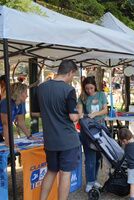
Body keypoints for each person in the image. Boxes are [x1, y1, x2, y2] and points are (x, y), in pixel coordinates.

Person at [37, 60, 81, 200]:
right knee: (65, 173)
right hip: (67, 140)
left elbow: (35, 113)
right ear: (70, 72)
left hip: (50, 140)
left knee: (51, 171)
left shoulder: (41, 88)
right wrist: (80, 111)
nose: (72, 79)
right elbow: (73, 117)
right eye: (73, 76)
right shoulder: (68, 90)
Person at [77, 76, 108, 192]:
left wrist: (94, 114)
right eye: (87, 89)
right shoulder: (82, 97)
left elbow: (105, 110)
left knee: (98, 156)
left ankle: (94, 180)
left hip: (101, 127)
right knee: (90, 157)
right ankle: (90, 182)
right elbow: (79, 111)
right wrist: (79, 114)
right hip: (88, 130)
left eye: (91, 88)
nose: (89, 91)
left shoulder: (101, 95)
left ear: (95, 86)